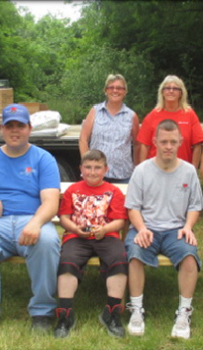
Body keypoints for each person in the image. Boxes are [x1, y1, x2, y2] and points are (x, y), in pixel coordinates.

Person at [0, 104, 61, 340]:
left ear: (29, 128)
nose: (15, 131)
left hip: (31, 218)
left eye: (20, 125)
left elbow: (51, 202)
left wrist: (36, 223)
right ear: (2, 129)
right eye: (10, 126)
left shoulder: (43, 158)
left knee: (47, 240)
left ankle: (42, 311)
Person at [125, 119, 203, 339]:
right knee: (135, 254)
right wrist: (140, 229)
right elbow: (132, 207)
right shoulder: (141, 171)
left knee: (189, 256)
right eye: (164, 141)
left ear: (180, 142)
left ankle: (183, 313)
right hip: (146, 227)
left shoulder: (188, 171)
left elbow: (195, 205)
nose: (168, 146)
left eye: (172, 141)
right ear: (154, 142)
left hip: (176, 230)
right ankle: (136, 310)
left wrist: (188, 227)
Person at [54, 149, 128, 339]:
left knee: (119, 260)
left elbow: (120, 221)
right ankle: (65, 315)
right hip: (76, 236)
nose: (92, 172)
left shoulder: (114, 191)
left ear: (105, 169)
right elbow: (64, 218)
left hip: (107, 235)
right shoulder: (72, 190)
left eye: (97, 168)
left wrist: (105, 229)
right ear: (81, 169)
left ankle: (111, 313)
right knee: (67, 262)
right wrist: (75, 229)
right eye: (88, 167)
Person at [79, 73, 140, 183]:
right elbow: (83, 139)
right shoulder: (95, 111)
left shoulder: (132, 116)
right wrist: (87, 166)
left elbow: (137, 145)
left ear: (125, 91)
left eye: (119, 88)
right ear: (105, 91)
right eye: (111, 87)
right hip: (96, 175)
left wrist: (137, 168)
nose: (115, 91)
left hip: (123, 176)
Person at [138, 75, 203, 172]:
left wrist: (193, 170)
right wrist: (142, 170)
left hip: (182, 171)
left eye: (175, 88)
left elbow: (197, 144)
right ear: (162, 92)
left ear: (181, 93)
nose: (171, 91)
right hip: (156, 171)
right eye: (167, 88)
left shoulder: (190, 115)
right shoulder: (153, 115)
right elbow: (144, 145)